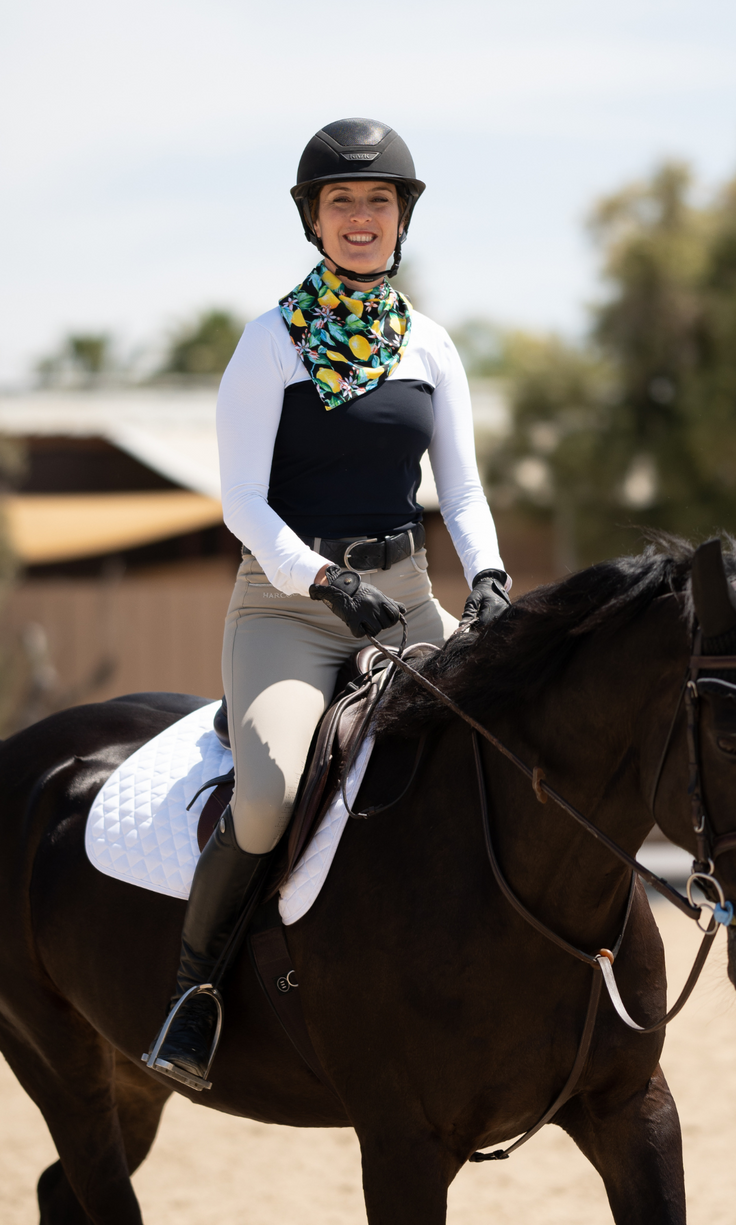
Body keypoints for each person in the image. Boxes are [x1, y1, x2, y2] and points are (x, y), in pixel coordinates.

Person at [144, 117, 511, 1090]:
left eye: (377, 201)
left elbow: (462, 490)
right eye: (341, 201)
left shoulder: (430, 346)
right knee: (265, 796)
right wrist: (317, 576)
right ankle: (195, 991)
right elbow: (242, 502)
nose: (360, 217)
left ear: (401, 219)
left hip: (403, 597)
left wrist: (484, 573)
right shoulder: (269, 343)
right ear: (312, 219)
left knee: (501, 751)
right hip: (287, 610)